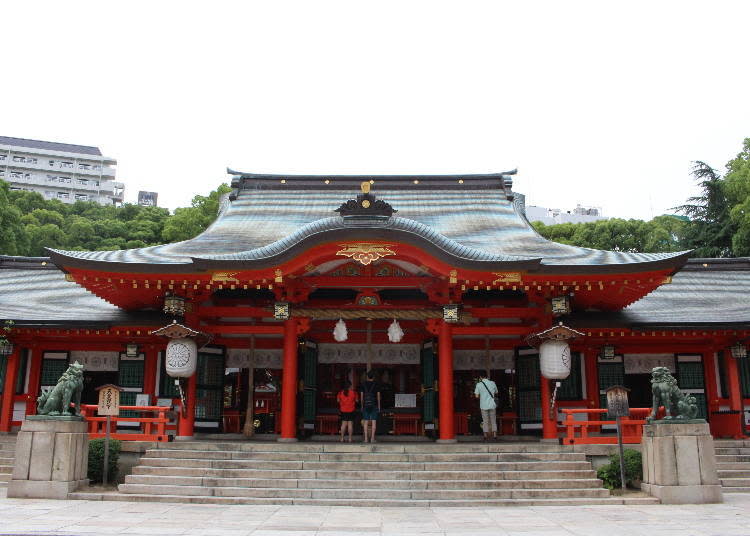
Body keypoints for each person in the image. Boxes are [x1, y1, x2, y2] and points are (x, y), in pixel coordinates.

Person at [474, 373, 499, 441]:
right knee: (493, 420)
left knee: (485, 421)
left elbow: (476, 396)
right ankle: (495, 436)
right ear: (487, 376)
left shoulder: (478, 384)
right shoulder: (492, 383)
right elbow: (496, 392)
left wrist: (482, 396)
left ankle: (485, 436)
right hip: (492, 405)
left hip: (483, 405)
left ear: (480, 377)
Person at [359, 370, 380, 443]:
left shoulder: (363, 384)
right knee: (374, 422)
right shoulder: (376, 384)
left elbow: (361, 397)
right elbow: (378, 397)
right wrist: (379, 406)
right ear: (373, 377)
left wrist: (362, 406)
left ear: (367, 377)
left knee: (366, 422)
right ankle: (372, 438)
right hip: (374, 405)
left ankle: (365, 439)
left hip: (366, 405)